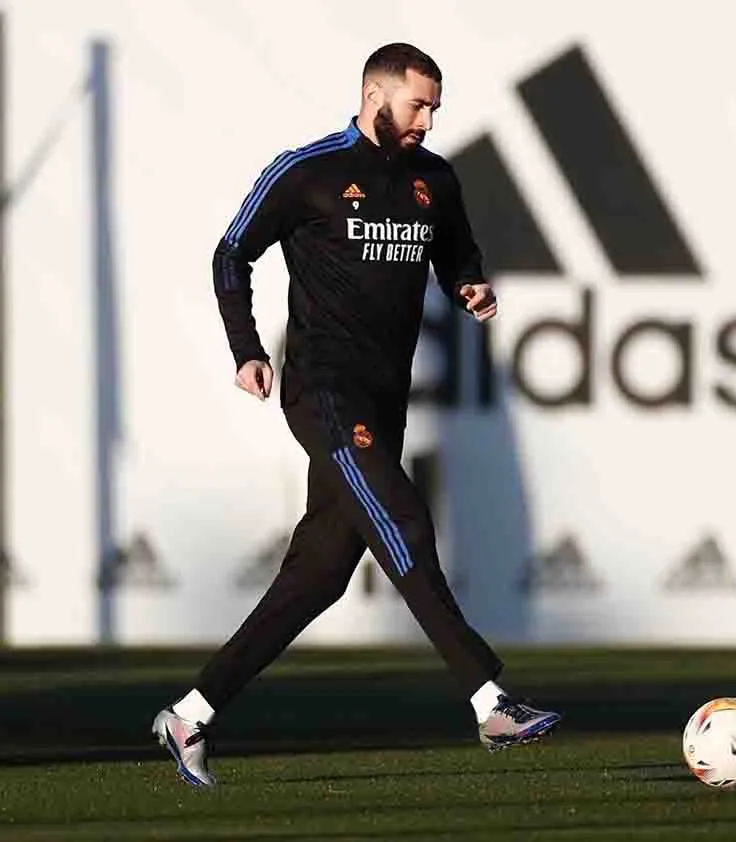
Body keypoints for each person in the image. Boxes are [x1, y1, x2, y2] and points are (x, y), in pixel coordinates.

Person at [152, 42, 560, 787]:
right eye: (418, 105)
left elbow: (457, 257)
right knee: (405, 520)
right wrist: (245, 347)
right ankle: (489, 698)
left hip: (384, 400)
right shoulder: (308, 171)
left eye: (436, 107)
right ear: (376, 96)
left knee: (317, 579)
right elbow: (230, 254)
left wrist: (472, 287)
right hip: (324, 394)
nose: (428, 122)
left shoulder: (435, 178)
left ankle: (189, 716)